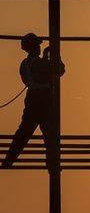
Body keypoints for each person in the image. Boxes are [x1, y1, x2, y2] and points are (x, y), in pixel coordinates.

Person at [2, 33, 66, 169]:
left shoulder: (24, 64)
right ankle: (52, 165)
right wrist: (54, 55)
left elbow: (35, 77)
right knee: (49, 134)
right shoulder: (38, 63)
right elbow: (59, 70)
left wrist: (46, 58)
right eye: (37, 45)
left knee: (24, 132)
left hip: (31, 98)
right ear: (32, 47)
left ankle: (9, 160)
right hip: (44, 99)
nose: (38, 47)